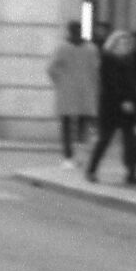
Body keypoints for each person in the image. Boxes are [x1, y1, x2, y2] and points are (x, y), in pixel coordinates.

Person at [85, 27, 136, 184]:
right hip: (111, 106)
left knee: (131, 140)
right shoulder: (107, 60)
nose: (125, 45)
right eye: (121, 42)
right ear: (113, 44)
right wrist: (123, 101)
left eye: (127, 42)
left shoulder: (130, 59)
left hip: (129, 106)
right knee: (105, 139)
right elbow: (110, 85)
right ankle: (91, 170)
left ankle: (132, 173)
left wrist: (133, 103)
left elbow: (133, 83)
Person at [47, 21, 102, 166]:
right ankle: (80, 155)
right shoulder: (91, 48)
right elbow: (96, 70)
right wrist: (95, 86)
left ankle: (68, 157)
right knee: (83, 125)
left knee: (65, 125)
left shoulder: (62, 48)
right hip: (86, 91)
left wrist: (60, 81)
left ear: (68, 31)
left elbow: (51, 68)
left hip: (67, 92)